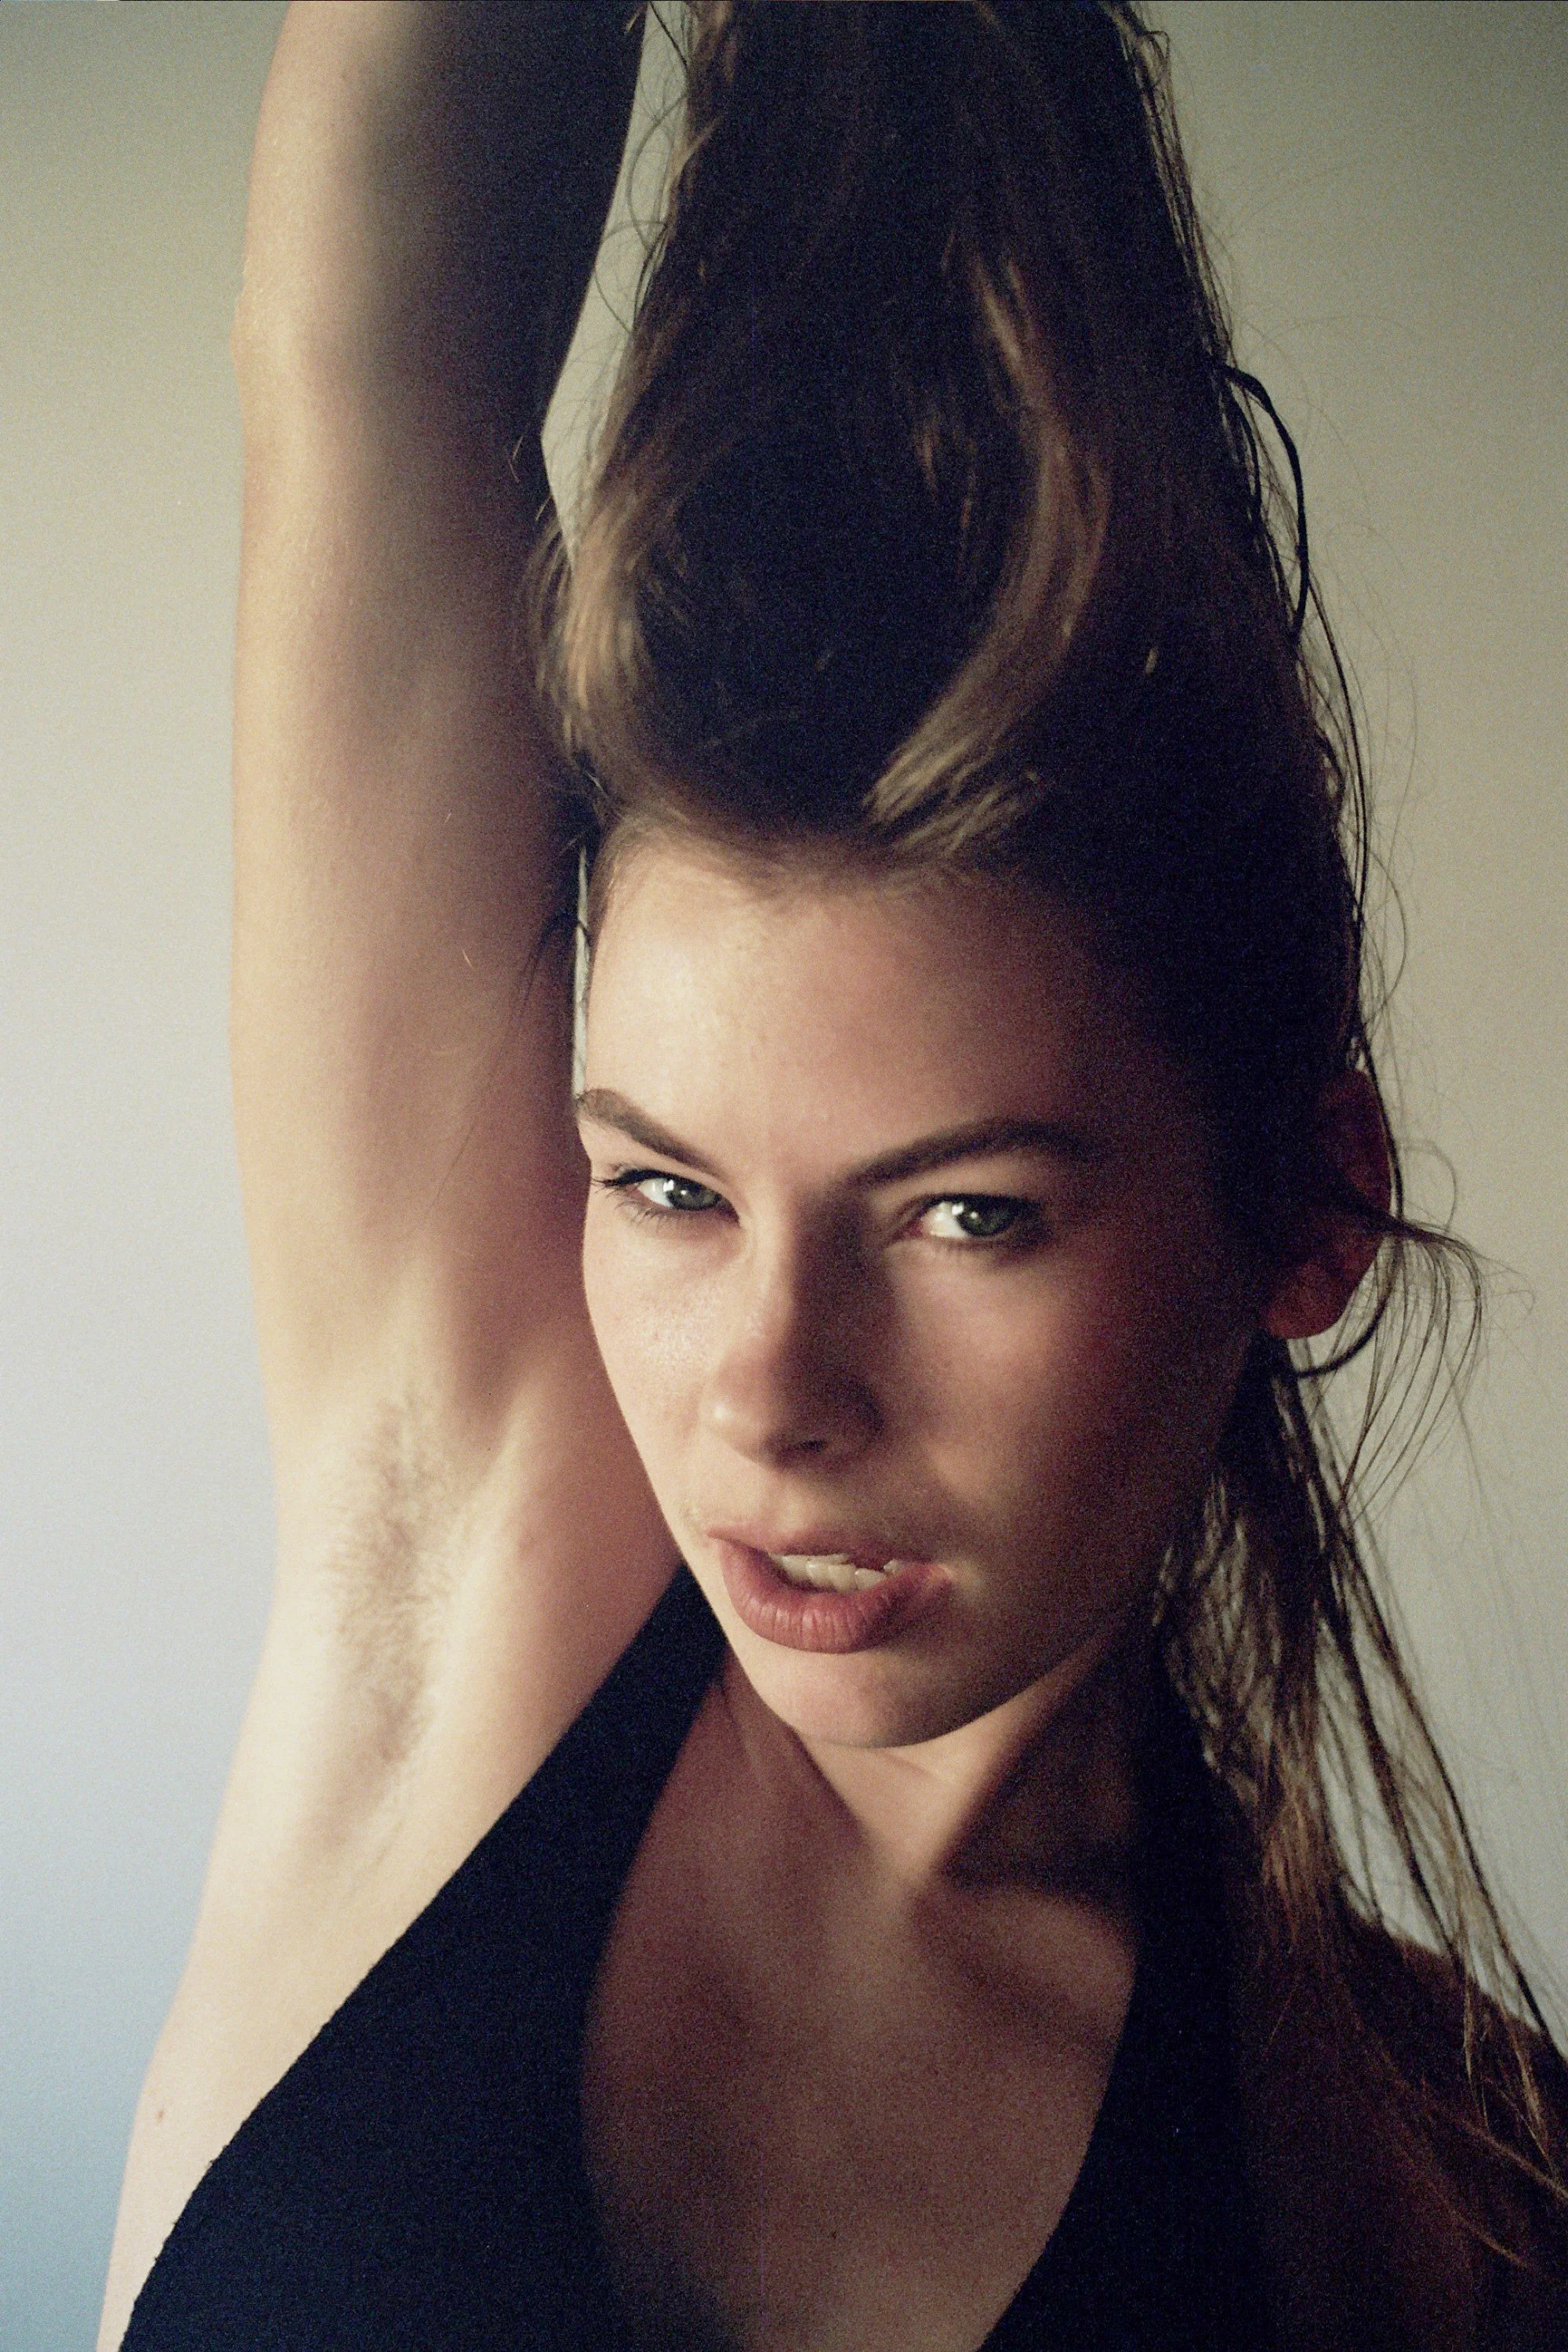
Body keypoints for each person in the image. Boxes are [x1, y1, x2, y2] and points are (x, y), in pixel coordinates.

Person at [100, 5, 1566, 2347]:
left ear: (1307, 1218)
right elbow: (374, 324)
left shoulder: (1425, 2199)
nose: (769, 1398)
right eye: (667, 1190)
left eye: (967, 1214)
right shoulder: (460, 1584)